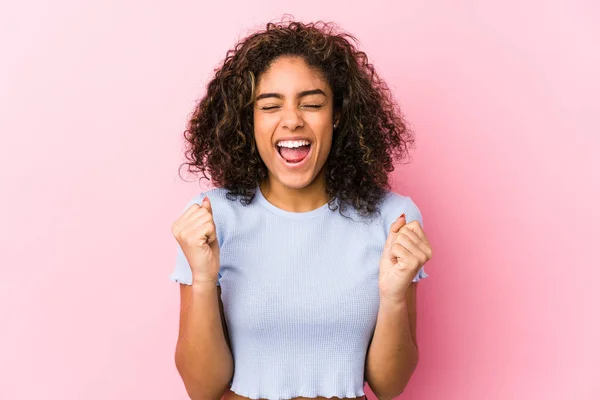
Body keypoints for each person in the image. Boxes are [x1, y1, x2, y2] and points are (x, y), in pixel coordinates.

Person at [169, 18, 433, 400]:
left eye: (311, 104)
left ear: (338, 115)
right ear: (249, 120)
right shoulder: (212, 218)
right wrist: (204, 280)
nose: (292, 119)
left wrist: (392, 298)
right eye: (270, 105)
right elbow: (201, 388)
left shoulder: (393, 219)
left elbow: (390, 386)